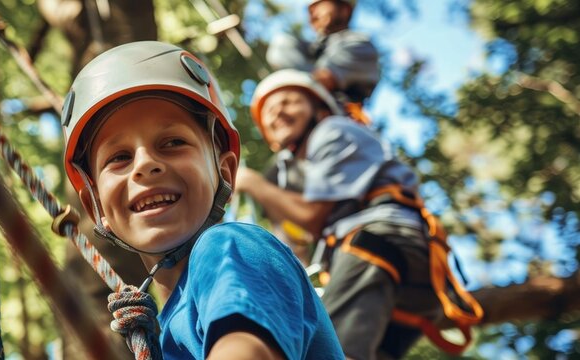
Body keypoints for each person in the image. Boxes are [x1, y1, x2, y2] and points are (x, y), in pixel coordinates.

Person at [60, 41, 344, 359]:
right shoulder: (171, 327)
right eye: (119, 157)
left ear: (225, 172)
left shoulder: (229, 248)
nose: (144, 164)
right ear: (94, 207)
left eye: (173, 142)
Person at [236, 69, 483, 359]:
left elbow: (312, 217)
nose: (278, 113)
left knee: (329, 352)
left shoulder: (334, 130)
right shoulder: (298, 173)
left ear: (320, 107)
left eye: (288, 101)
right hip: (408, 280)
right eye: (269, 112)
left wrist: (252, 183)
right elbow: (296, 247)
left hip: (381, 243)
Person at [266, 0, 378, 122]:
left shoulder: (359, 45)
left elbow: (322, 79)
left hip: (339, 124)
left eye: (318, 6)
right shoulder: (312, 49)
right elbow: (280, 51)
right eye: (309, 11)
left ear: (344, 10)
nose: (312, 16)